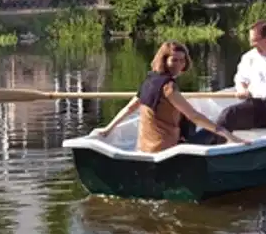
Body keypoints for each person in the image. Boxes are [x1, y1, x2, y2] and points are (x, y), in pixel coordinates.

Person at [94, 41, 246, 153]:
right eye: (174, 60)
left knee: (185, 121)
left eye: (182, 60)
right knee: (217, 127)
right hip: (166, 150)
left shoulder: (149, 81)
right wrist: (227, 134)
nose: (179, 65)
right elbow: (194, 116)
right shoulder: (169, 87)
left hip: (144, 148)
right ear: (164, 61)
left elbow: (129, 108)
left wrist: (108, 129)